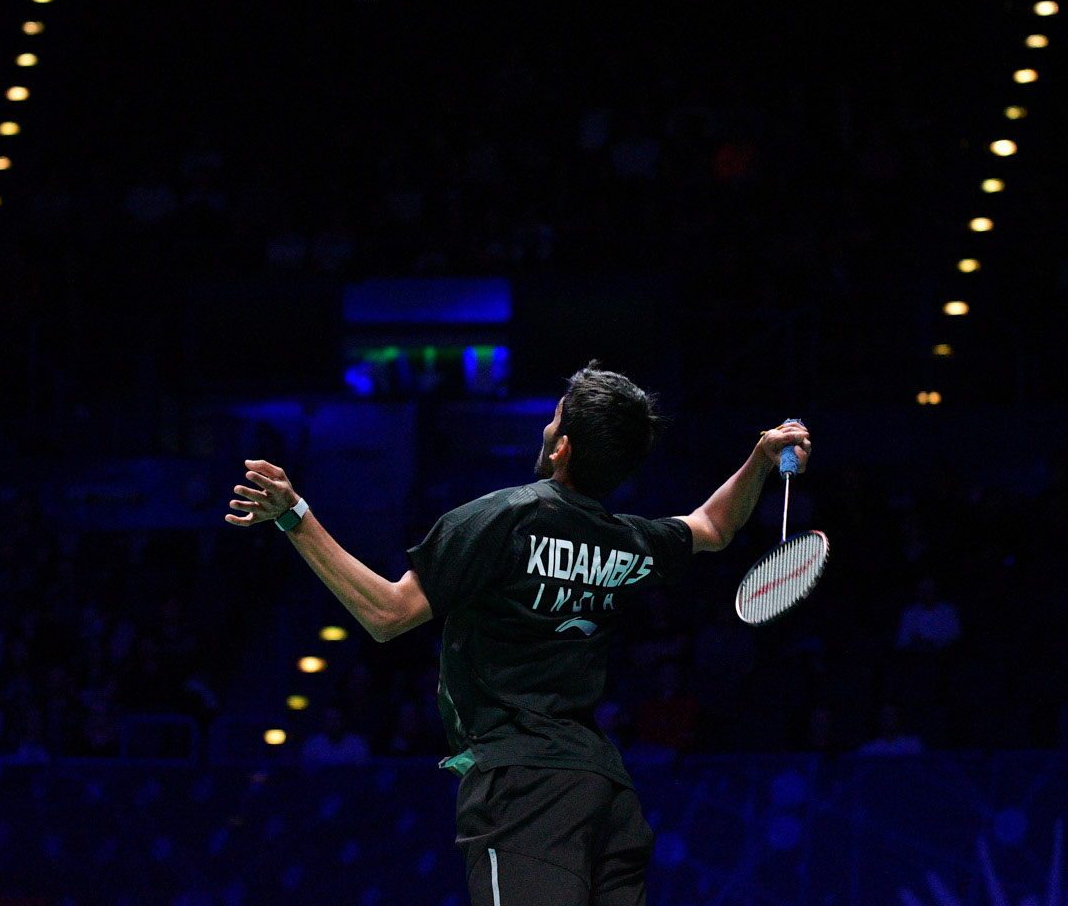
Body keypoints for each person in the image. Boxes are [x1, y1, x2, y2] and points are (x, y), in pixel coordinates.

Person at [226, 362, 811, 906]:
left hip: (524, 795)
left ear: (562, 447)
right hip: (607, 798)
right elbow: (713, 526)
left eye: (555, 416)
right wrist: (760, 457)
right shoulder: (627, 541)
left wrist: (294, 517)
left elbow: (388, 614)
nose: (547, 422)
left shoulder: (502, 518)